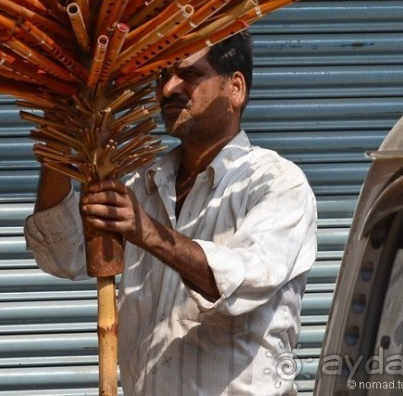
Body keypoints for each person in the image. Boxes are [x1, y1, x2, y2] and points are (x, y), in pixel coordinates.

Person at [24, 30, 317, 395]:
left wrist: (146, 231)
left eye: (188, 75)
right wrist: (58, 144)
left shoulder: (276, 184)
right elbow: (63, 256)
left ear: (236, 88)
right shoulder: (142, 185)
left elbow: (243, 283)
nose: (167, 90)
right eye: (161, 77)